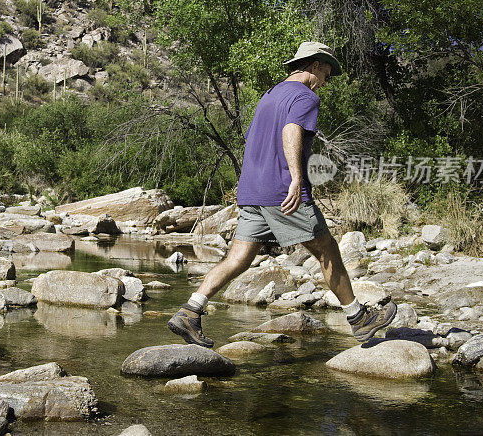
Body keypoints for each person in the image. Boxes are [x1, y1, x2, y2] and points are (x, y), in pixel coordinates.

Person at [167, 41, 396, 347]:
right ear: (314, 66)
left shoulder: (270, 95)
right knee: (326, 248)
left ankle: (190, 311)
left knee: (239, 257)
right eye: (326, 74)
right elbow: (291, 130)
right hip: (282, 191)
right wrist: (297, 177)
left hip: (252, 190)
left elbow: (254, 140)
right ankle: (358, 318)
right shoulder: (304, 96)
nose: (325, 83)